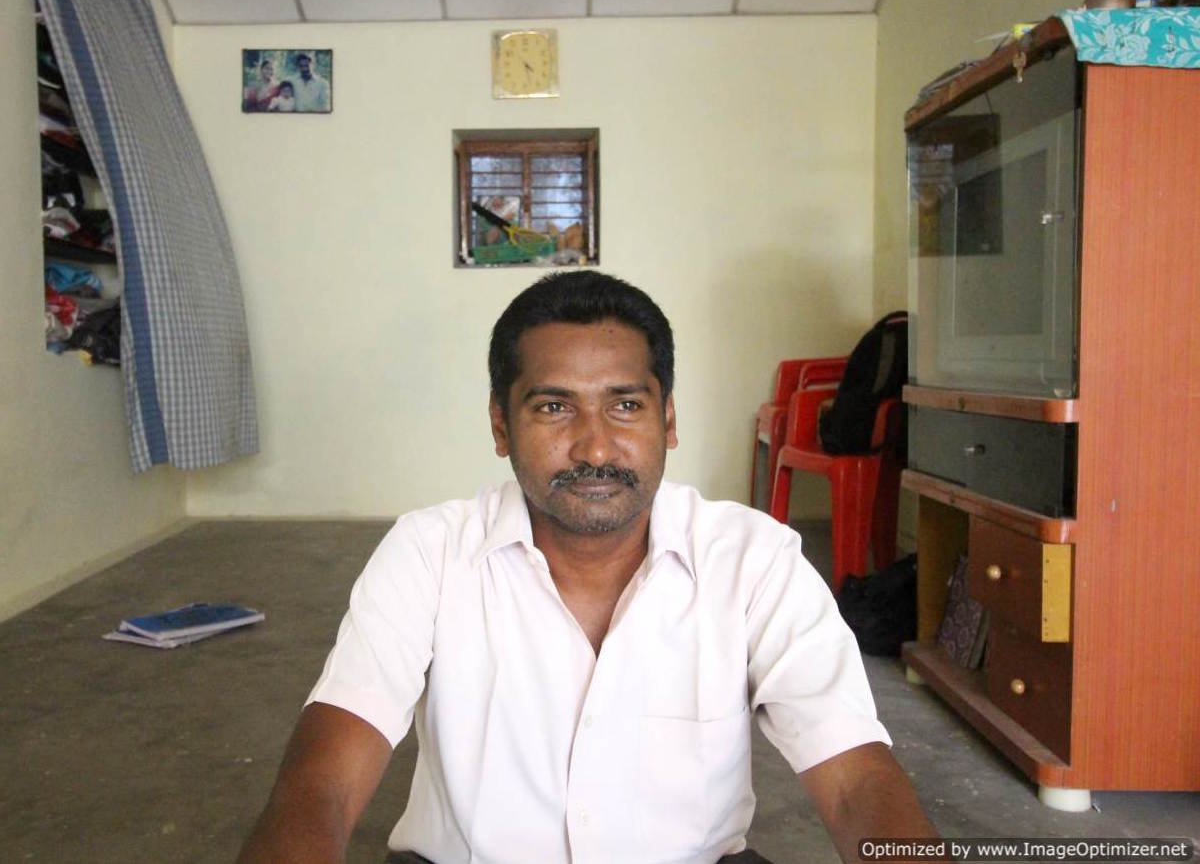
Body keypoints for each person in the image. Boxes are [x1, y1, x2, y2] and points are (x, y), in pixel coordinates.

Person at [237, 271, 938, 864]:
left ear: (668, 421)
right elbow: (322, 779)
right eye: (553, 407)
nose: (593, 445)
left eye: (626, 405)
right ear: (500, 425)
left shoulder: (754, 560)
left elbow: (854, 780)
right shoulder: (429, 553)